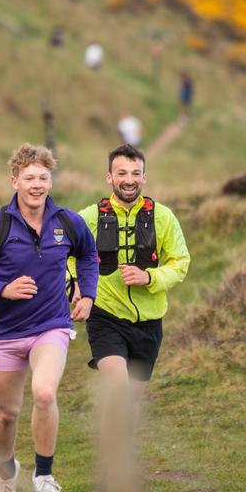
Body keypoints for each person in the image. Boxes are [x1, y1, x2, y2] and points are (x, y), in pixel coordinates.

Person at [0, 143, 99, 492]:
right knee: (7, 414)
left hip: (51, 326)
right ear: (14, 180)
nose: (37, 184)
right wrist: (1, 289)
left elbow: (87, 254)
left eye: (44, 177)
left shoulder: (67, 222)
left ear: (51, 181)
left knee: (45, 393)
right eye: (30, 177)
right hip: (6, 333)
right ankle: (5, 474)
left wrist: (88, 293)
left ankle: (45, 477)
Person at [71, 144, 190, 400]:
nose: (129, 180)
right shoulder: (88, 218)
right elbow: (65, 256)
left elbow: (180, 262)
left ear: (144, 178)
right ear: (109, 178)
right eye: (122, 173)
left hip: (149, 323)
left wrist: (149, 277)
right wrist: (74, 284)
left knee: (131, 404)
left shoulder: (164, 217)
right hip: (105, 316)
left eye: (136, 173)